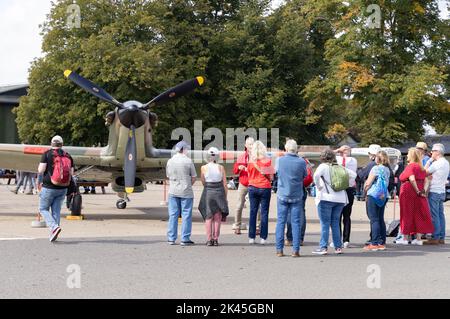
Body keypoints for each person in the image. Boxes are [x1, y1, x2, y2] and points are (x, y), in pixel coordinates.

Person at [312, 149, 356, 255]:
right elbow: (353, 175)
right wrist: (346, 184)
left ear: (323, 157)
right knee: (335, 223)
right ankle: (338, 247)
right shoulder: (340, 167)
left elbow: (316, 176)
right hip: (340, 198)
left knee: (325, 224)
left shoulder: (323, 166)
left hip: (326, 197)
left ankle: (323, 247)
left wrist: (319, 186)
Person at [37, 136, 74, 242]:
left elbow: (41, 170)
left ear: (51, 144)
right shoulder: (68, 155)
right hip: (63, 188)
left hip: (49, 186)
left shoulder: (47, 154)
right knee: (56, 211)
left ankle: (54, 227)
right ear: (62, 144)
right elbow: (72, 173)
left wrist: (39, 181)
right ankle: (53, 233)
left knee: (43, 209)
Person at [275, 140, 307, 257]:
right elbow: (305, 175)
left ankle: (279, 250)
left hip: (282, 193)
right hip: (296, 194)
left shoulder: (279, 160)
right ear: (296, 149)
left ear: (286, 148)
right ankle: (295, 250)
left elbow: (276, 173)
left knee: (281, 222)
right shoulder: (301, 162)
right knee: (296, 223)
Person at [398, 148, 434, 245]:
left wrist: (417, 190)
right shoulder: (421, 168)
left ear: (412, 155)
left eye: (409, 154)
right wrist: (423, 191)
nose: (407, 156)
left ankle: (405, 238)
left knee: (406, 213)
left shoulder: (410, 166)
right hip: (419, 192)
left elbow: (412, 179)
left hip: (408, 191)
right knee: (418, 214)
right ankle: (418, 239)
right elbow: (427, 180)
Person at [166, 141, 197, 246]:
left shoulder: (170, 161)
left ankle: (171, 238)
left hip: (173, 191)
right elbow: (193, 177)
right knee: (186, 215)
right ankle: (185, 238)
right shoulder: (188, 161)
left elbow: (168, 175)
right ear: (183, 149)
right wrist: (188, 184)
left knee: (173, 215)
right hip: (186, 192)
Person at [199, 147, 229, 246]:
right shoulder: (221, 167)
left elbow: (203, 181)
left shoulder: (203, 167)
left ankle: (209, 239)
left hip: (208, 191)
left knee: (208, 216)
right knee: (217, 217)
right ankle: (215, 239)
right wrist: (225, 196)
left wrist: (208, 187)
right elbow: (225, 183)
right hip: (219, 191)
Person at [247, 141, 274, 245]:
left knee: (253, 212)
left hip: (253, 187)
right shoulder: (267, 161)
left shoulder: (250, 161)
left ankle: (251, 237)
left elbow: (249, 174)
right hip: (265, 187)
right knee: (264, 213)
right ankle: (263, 237)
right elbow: (271, 177)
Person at [363, 151, 391, 251]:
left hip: (374, 194)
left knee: (373, 219)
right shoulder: (387, 169)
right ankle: (381, 242)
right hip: (383, 195)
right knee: (380, 218)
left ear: (377, 159)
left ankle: (374, 242)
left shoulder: (376, 168)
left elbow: (368, 183)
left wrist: (365, 191)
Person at [424, 144, 449, 245]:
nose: (431, 153)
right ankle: (441, 237)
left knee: (435, 215)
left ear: (438, 152)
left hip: (434, 190)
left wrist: (429, 161)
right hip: (442, 190)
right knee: (440, 214)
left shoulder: (437, 163)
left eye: (433, 151)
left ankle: (435, 237)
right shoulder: (446, 162)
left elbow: (424, 172)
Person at [285, 156, 312, 247]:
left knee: (289, 212)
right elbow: (309, 177)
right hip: (301, 188)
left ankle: (290, 238)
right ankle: (300, 238)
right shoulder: (304, 161)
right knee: (301, 213)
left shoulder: (286, 160)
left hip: (290, 188)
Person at [334, 145, 358, 248]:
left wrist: (337, 150)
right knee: (347, 216)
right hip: (350, 188)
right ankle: (346, 239)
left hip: (339, 189)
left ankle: (337, 239)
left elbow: (326, 154)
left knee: (337, 215)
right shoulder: (354, 160)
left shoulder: (338, 159)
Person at [232, 137, 256, 234]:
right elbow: (235, 171)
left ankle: (256, 226)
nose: (251, 146)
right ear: (245, 145)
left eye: (252, 144)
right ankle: (237, 225)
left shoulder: (257, 156)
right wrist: (239, 167)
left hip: (254, 183)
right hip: (243, 183)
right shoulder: (241, 157)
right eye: (249, 144)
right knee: (239, 205)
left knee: (255, 206)